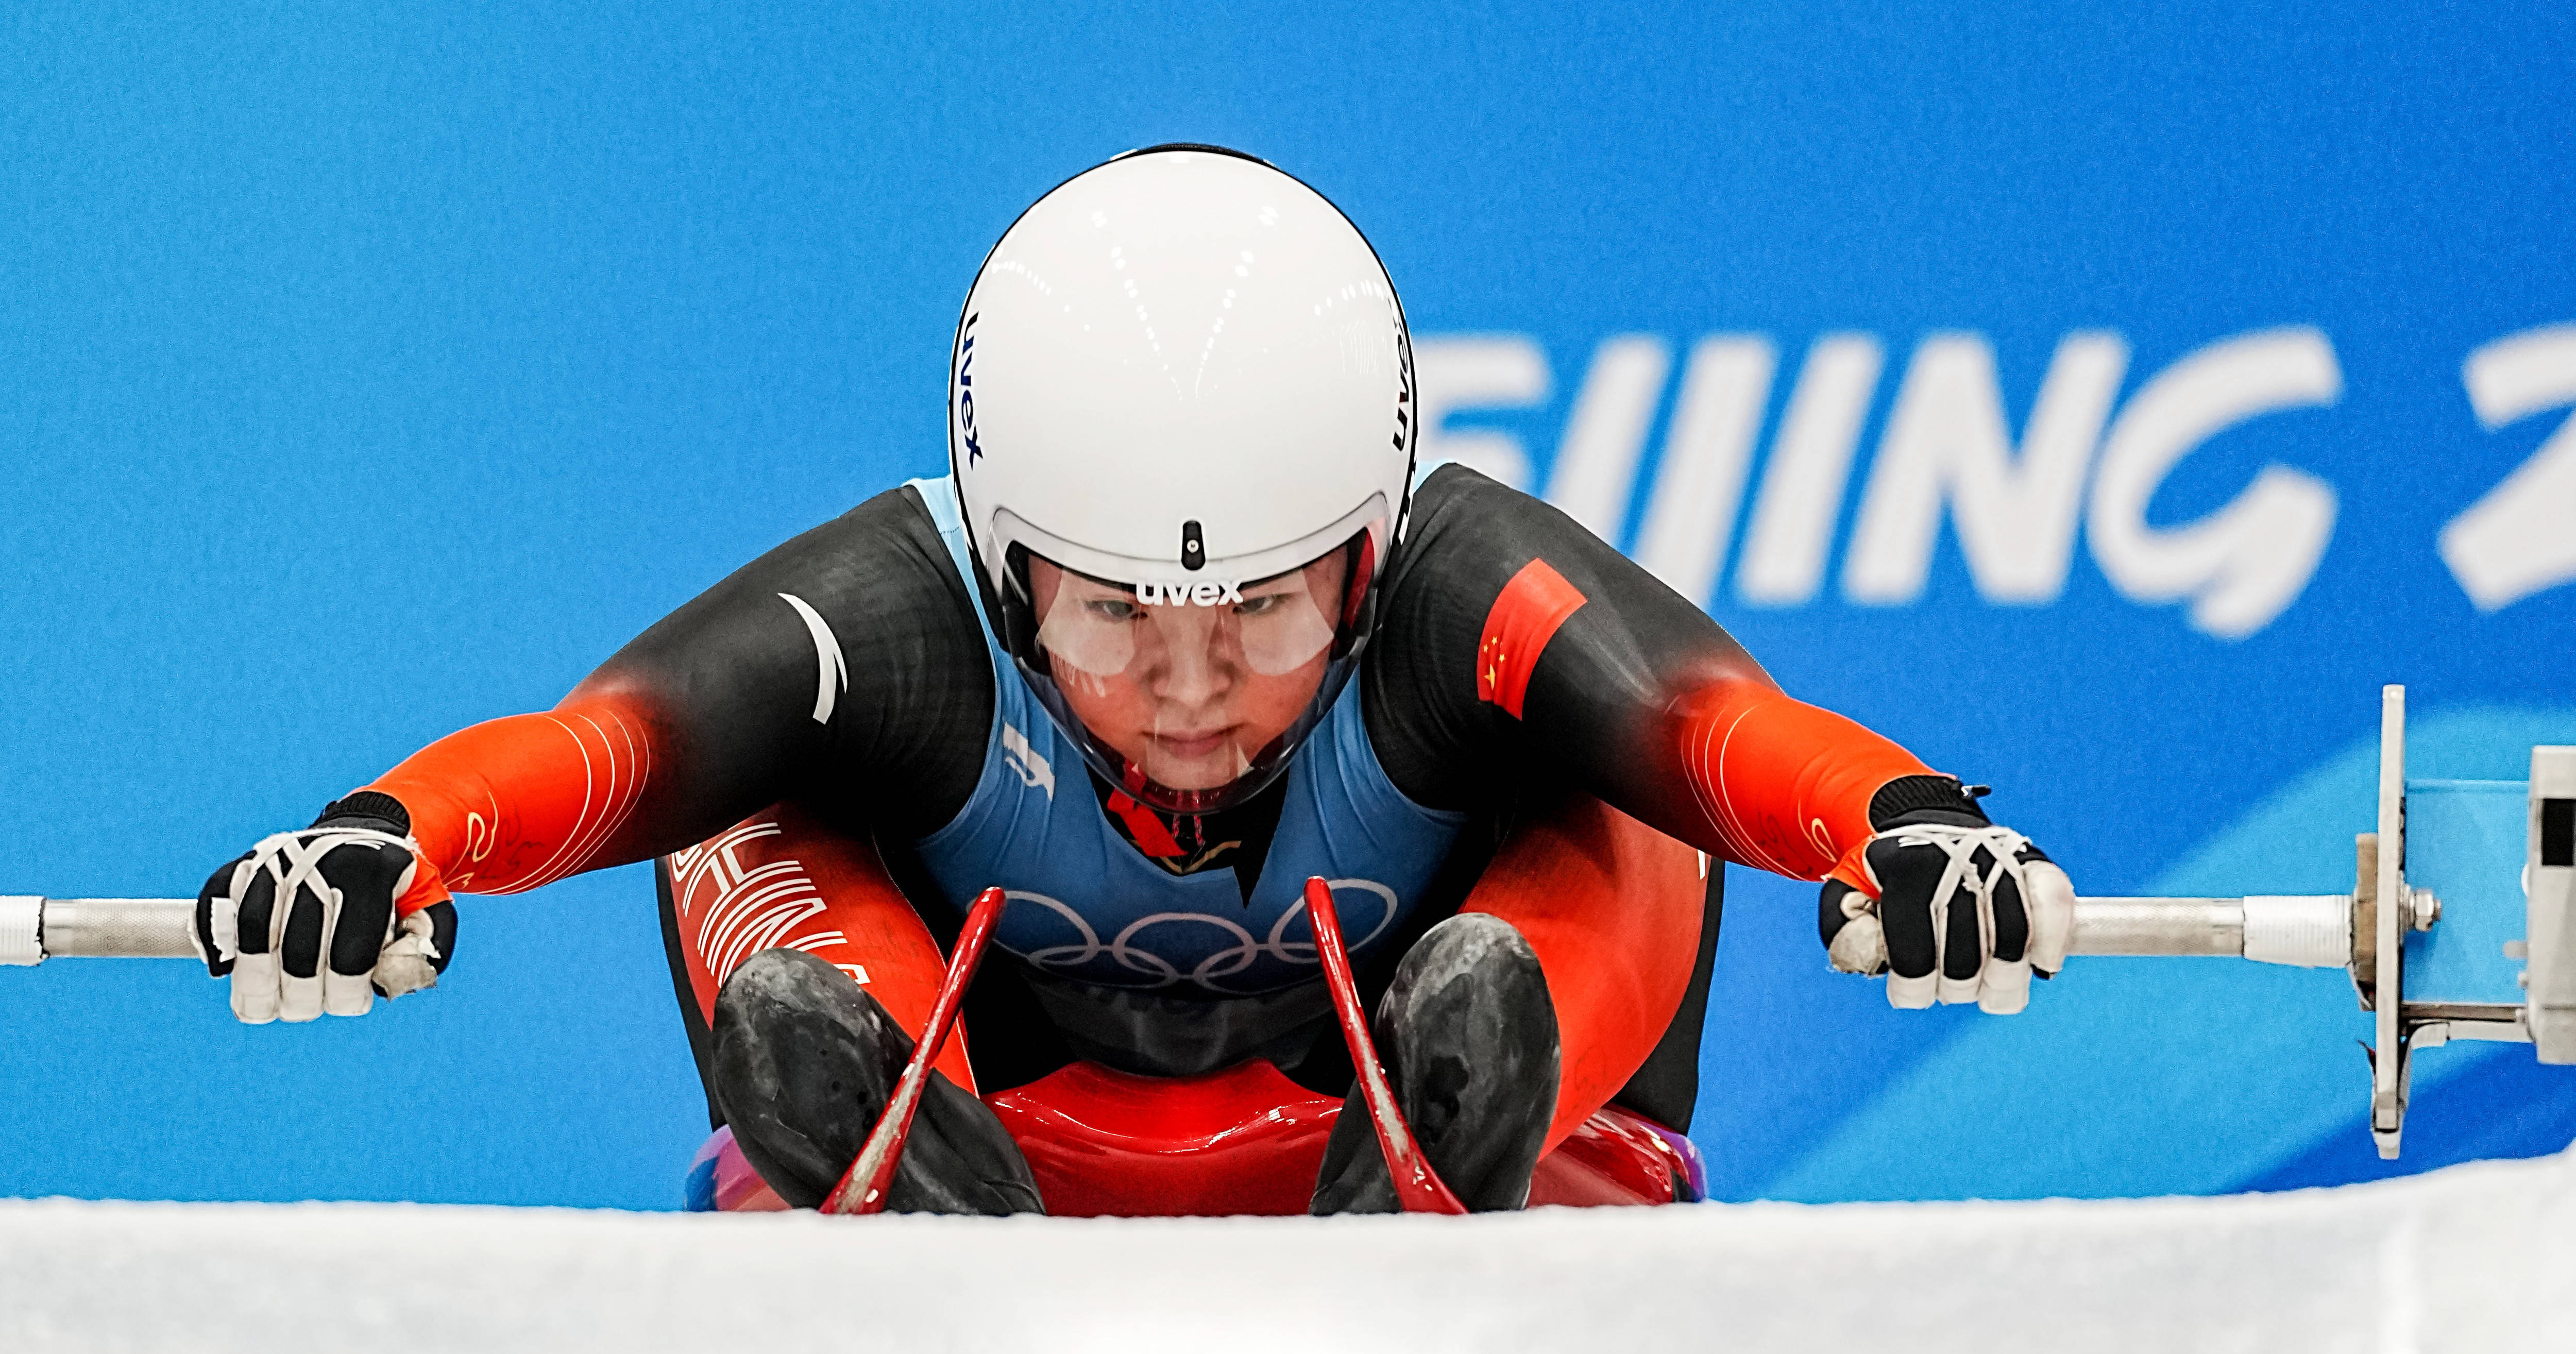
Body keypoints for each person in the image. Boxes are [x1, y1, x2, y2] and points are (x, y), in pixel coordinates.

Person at [190, 146, 2075, 1215]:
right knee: (740, 794)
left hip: (1460, 1129)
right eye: (1111, 617)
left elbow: (1720, 732)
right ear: (1008, 573)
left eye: (1264, 610)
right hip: (996, 1129)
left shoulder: (1461, 575)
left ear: (1366, 544)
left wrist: (1909, 833)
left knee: (1622, 789)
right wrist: (378, 848)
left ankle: (1477, 1103)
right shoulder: (896, 610)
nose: (1192, 687)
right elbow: (607, 749)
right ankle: (872, 1124)